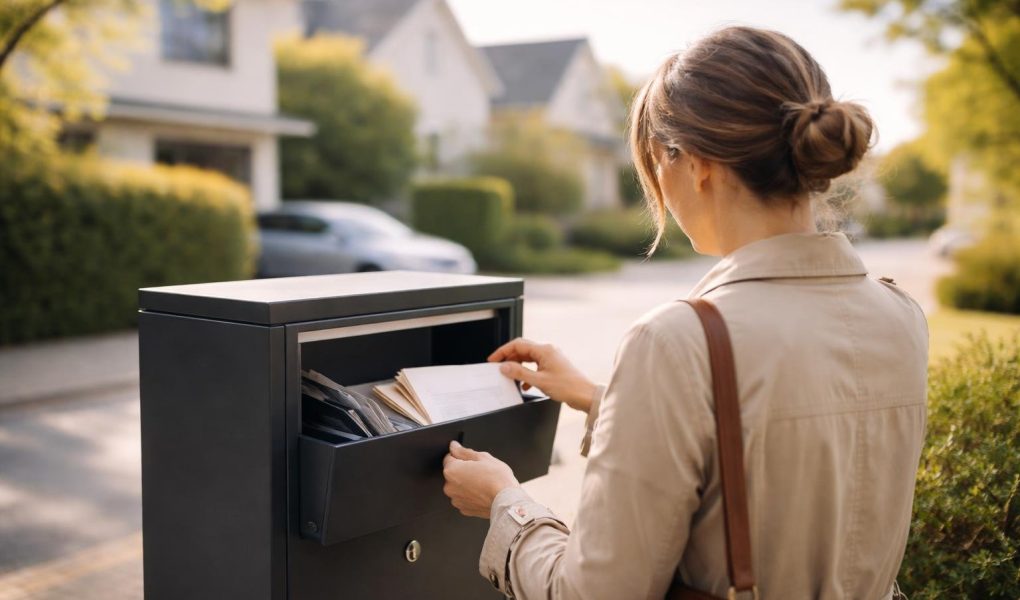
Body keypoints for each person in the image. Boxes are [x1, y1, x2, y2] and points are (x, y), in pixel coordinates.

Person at [442, 25, 928, 600]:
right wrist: (608, 402)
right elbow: (784, 457)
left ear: (695, 163)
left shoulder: (676, 341)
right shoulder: (901, 314)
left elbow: (591, 593)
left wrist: (505, 503)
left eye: (655, 162)